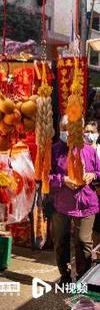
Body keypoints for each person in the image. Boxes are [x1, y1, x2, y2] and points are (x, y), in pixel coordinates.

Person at [50, 116, 100, 283]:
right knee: (60, 241)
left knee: (83, 241)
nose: (68, 131)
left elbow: (99, 173)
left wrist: (92, 175)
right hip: (62, 204)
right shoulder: (55, 150)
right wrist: (62, 180)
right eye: (65, 127)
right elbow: (44, 177)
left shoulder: (90, 151)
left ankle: (82, 278)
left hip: (86, 203)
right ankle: (64, 276)